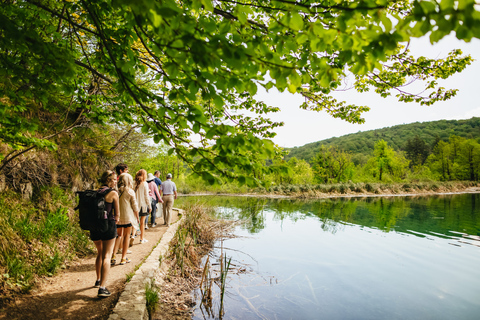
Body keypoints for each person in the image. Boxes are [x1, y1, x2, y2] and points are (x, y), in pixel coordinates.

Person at [91, 170, 119, 297]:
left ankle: (98, 280)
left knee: (100, 253)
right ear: (108, 180)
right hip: (108, 225)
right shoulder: (113, 193)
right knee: (107, 256)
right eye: (113, 179)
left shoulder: (93, 192)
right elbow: (117, 215)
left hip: (94, 226)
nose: (115, 181)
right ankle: (102, 288)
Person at [112, 173, 139, 266]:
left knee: (118, 236)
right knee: (127, 236)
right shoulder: (130, 192)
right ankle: (123, 258)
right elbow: (135, 206)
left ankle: (113, 256)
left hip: (118, 217)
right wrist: (137, 217)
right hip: (128, 217)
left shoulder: (116, 191)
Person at [134, 169, 151, 243]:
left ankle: (133, 236)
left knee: (135, 222)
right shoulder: (145, 184)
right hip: (143, 206)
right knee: (142, 222)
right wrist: (150, 206)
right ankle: (141, 239)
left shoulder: (134, 183)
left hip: (134, 205)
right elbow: (146, 196)